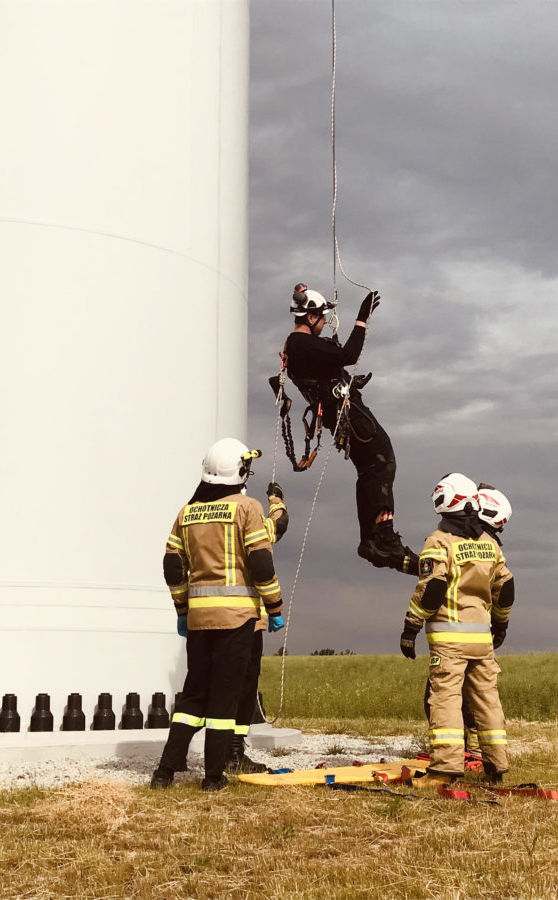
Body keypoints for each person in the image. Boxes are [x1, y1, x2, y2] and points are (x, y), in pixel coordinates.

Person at [152, 438, 285, 791]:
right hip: (236, 620)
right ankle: (213, 777)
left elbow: (172, 566)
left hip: (198, 620)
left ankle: (165, 771)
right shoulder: (247, 508)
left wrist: (183, 609)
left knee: (193, 695)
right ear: (240, 471)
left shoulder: (187, 512)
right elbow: (261, 560)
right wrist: (274, 608)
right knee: (226, 696)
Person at [274, 283, 416, 575]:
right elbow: (350, 354)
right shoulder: (303, 344)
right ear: (310, 317)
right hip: (348, 415)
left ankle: (372, 539)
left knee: (368, 470)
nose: (325, 322)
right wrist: (362, 319)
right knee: (382, 462)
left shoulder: (300, 347)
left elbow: (330, 364)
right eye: (322, 317)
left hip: (340, 415)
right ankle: (382, 537)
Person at [399, 473, 516, 790]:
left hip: (450, 639)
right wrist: (500, 625)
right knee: (487, 701)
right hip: (482, 639)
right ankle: (496, 765)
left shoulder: (439, 542)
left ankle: (445, 770)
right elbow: (505, 588)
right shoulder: (489, 543)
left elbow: (432, 587)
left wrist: (411, 627)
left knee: (446, 701)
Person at [226, 480, 289, 775]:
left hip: (208, 620)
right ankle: (233, 751)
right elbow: (280, 524)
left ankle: (204, 752)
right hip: (247, 619)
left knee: (211, 687)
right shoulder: (253, 520)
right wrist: (276, 500)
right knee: (244, 686)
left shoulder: (203, 518)